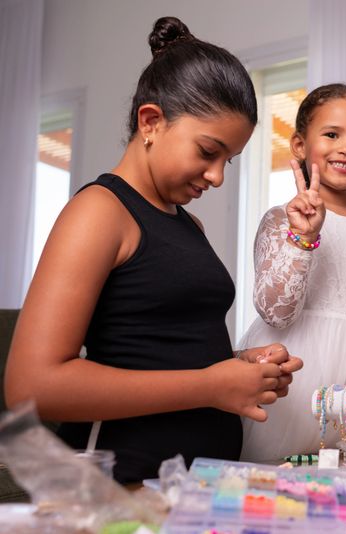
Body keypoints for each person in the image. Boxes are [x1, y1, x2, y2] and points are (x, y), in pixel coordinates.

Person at [3, 16, 302, 484]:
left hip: (190, 489)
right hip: (118, 490)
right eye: (208, 151)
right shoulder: (98, 213)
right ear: (151, 121)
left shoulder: (189, 224)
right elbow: (32, 387)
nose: (217, 176)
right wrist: (210, 385)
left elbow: (159, 347)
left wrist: (239, 368)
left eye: (228, 160)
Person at [237, 84, 346, 462]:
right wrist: (304, 236)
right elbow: (276, 312)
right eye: (331, 134)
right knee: (277, 496)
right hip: (290, 390)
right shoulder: (281, 220)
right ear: (298, 145)